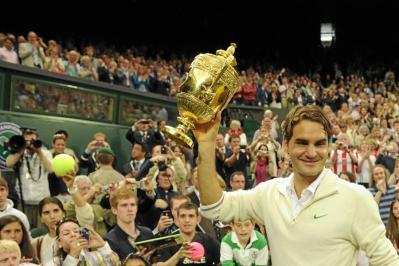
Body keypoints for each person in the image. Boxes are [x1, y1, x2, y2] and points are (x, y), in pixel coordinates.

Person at [195, 105, 399, 265]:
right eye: (302, 142)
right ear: (285, 146)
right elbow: (215, 206)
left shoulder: (355, 197)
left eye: (320, 143)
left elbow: (387, 260)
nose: (312, 153)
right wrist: (205, 144)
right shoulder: (269, 193)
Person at [53, 218, 119, 265]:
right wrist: (72, 256)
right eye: (66, 233)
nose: (73, 235)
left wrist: (103, 246)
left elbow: (116, 264)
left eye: (76, 231)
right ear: (59, 242)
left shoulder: (95, 256)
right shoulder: (53, 263)